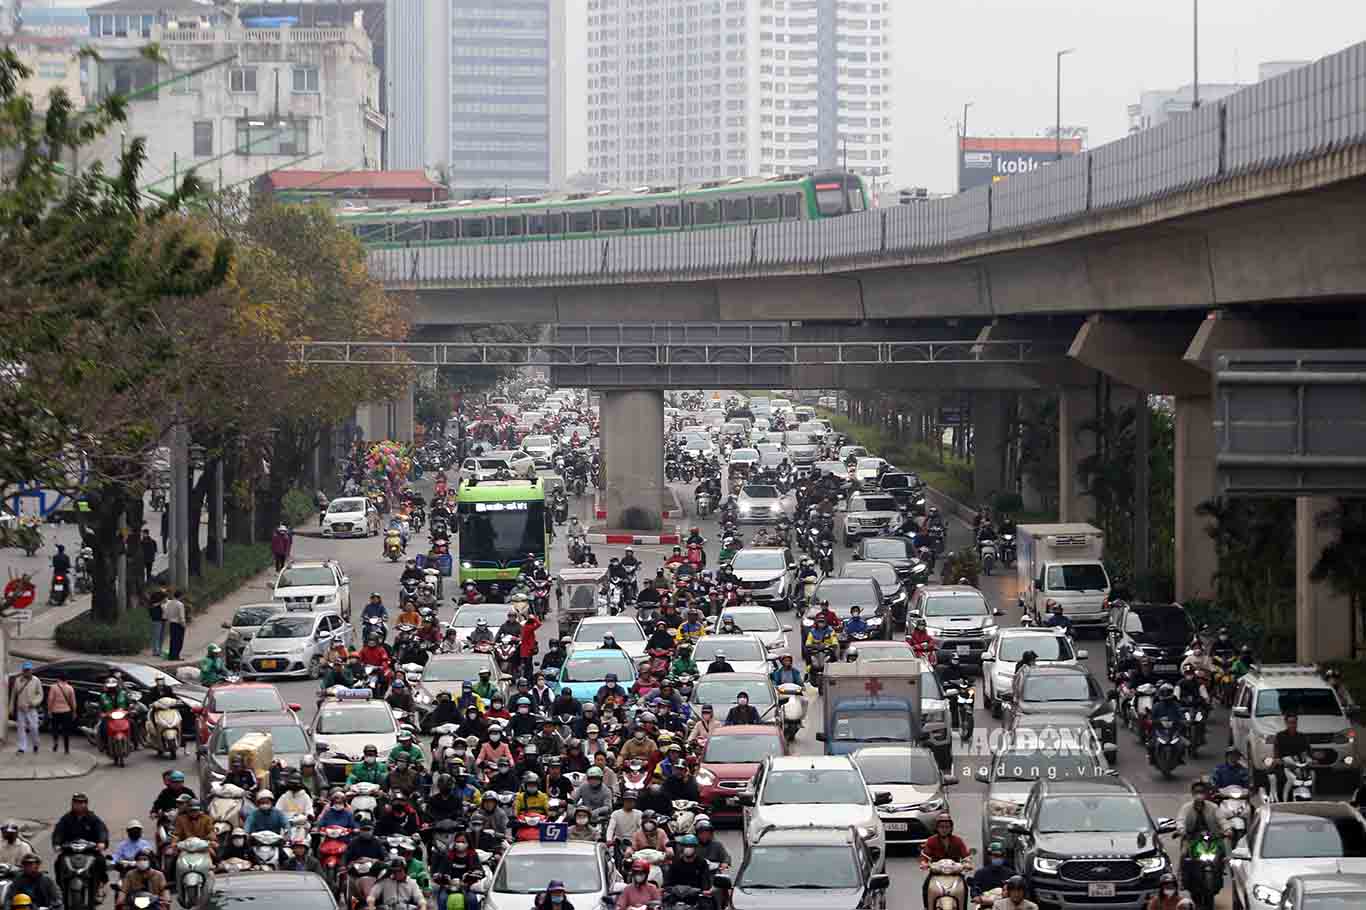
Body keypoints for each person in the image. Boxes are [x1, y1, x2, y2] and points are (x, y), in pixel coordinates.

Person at [52, 794, 109, 897]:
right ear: (72, 804)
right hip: (70, 850)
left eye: (82, 802)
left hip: (89, 850)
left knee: (100, 860)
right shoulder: (66, 819)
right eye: (77, 802)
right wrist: (57, 844)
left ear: (86, 804)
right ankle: (62, 888)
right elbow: (58, 832)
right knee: (58, 862)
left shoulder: (93, 818)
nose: (79, 805)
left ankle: (99, 885)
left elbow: (101, 830)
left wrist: (101, 841)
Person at [920, 814, 971, 909]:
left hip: (955, 873)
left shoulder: (958, 841)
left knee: (965, 887)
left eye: (947, 827)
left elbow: (965, 856)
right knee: (925, 887)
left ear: (951, 828)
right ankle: (928, 907)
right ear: (937, 828)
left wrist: (967, 864)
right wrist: (924, 863)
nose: (944, 829)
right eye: (941, 827)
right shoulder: (931, 841)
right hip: (936, 873)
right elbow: (925, 857)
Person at [1272, 711, 1312, 801]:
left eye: (1294, 722)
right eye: (1290, 723)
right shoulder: (1280, 736)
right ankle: (1282, 801)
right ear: (1286, 723)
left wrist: (1310, 759)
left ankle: (1309, 797)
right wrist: (1277, 759)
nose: (1293, 725)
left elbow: (1307, 751)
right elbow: (1276, 752)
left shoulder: (1302, 736)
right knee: (1281, 778)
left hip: (1299, 765)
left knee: (1310, 777)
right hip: (1284, 765)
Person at [9, 662, 43, 755]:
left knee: (34, 728)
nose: (27, 672)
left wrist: (34, 703)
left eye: (29, 670)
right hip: (20, 708)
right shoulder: (18, 680)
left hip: (31, 708)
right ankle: (22, 748)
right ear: (23, 671)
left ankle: (36, 744)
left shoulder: (36, 680)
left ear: (31, 670)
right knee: (21, 728)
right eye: (25, 670)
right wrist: (11, 707)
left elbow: (40, 694)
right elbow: (13, 695)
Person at [162, 589, 188, 661]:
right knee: (179, 641)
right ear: (180, 596)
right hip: (178, 624)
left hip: (172, 624)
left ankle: (171, 655)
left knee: (173, 640)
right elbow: (181, 616)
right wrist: (184, 625)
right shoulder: (180, 604)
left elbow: (165, 614)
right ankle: (176, 656)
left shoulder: (169, 603)